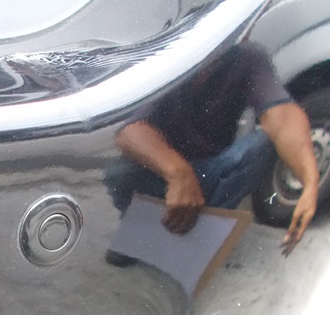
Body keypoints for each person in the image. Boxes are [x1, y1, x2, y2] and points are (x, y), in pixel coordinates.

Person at [105, 41, 319, 256]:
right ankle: (137, 231)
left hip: (212, 171)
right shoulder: (168, 55)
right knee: (120, 172)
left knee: (262, 143)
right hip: (160, 171)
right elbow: (130, 131)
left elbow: (282, 115)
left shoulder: (247, 56)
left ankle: (202, 231)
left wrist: (309, 182)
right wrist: (178, 173)